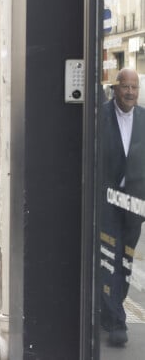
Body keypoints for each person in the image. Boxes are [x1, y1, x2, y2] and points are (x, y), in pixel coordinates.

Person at [100, 67, 145, 347]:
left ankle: (109, 310)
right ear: (115, 88)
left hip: (134, 202)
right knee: (108, 257)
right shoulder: (100, 116)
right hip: (106, 201)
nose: (130, 92)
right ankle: (117, 320)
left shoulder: (144, 119)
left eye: (134, 88)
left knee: (125, 260)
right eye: (125, 87)